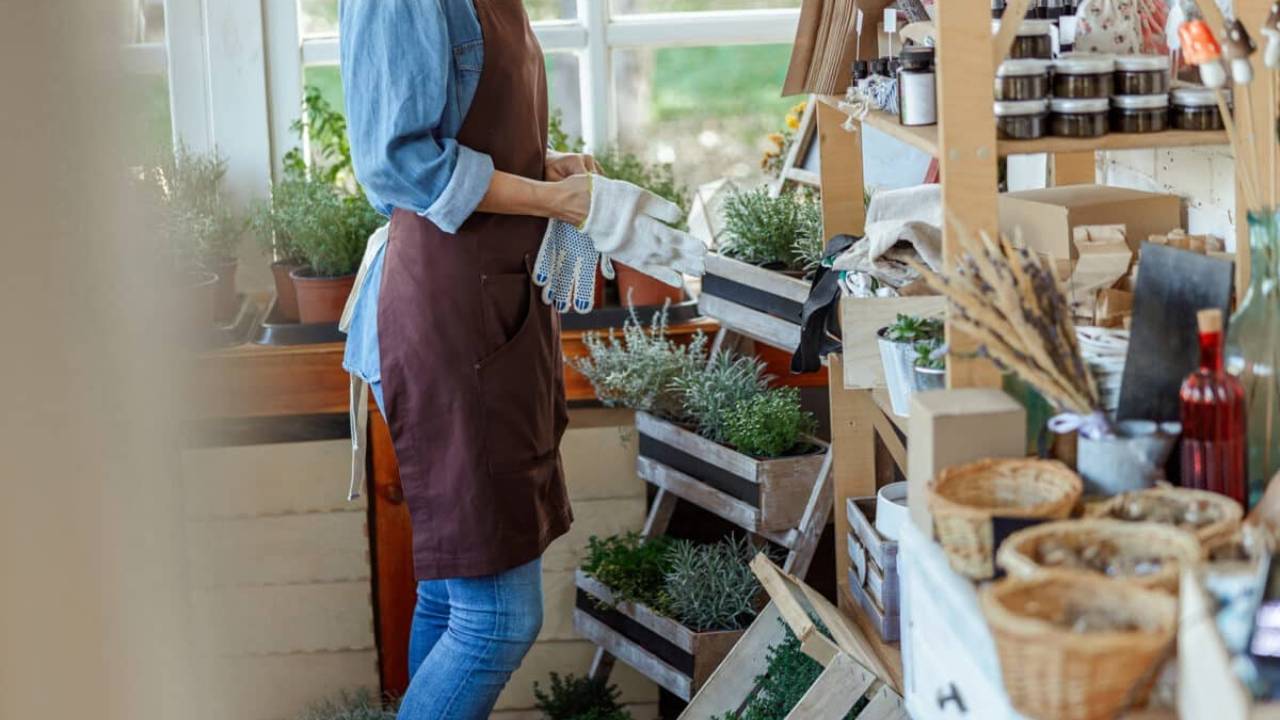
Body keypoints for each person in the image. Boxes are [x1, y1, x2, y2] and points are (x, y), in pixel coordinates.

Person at [337, 2, 705, 718]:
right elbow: (398, 161)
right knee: (498, 621)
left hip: (492, 302)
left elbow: (461, 127)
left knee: (450, 596)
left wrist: (546, 167)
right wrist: (551, 199)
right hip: (444, 318)